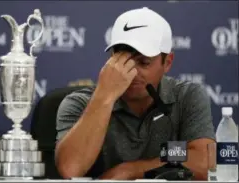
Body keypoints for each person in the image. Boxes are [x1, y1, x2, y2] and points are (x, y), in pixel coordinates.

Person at [55, 7, 215, 180]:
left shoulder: (186, 97)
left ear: (167, 62)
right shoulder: (79, 103)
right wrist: (105, 96)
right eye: (122, 61)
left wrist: (130, 171)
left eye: (143, 62)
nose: (131, 72)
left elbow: (206, 161)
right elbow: (70, 170)